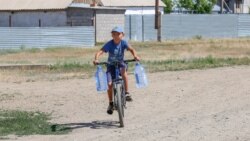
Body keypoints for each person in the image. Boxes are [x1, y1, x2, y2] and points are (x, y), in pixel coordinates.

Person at [93, 26, 140, 115]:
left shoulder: (123, 43)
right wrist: (96, 59)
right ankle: (111, 103)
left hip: (120, 64)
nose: (116, 36)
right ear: (112, 35)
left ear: (122, 35)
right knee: (109, 84)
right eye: (114, 34)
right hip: (110, 66)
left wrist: (135, 56)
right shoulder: (109, 44)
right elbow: (100, 52)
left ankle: (126, 93)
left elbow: (131, 49)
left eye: (118, 34)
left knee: (123, 72)